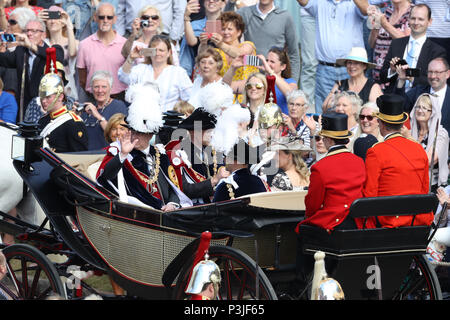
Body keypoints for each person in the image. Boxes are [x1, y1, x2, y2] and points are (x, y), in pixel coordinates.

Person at [294, 111, 366, 281]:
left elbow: (312, 205)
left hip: (333, 225)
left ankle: (301, 279)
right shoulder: (359, 162)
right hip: (355, 224)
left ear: (328, 139)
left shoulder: (321, 167)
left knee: (300, 230)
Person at [96, 82, 182, 211]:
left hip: (167, 213)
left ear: (150, 135)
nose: (134, 136)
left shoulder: (160, 153)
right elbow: (106, 176)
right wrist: (123, 155)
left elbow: (173, 187)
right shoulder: (118, 151)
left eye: (140, 133)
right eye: (132, 131)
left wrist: (172, 204)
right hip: (138, 213)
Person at [363, 94, 433, 228]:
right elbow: (424, 189)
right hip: (418, 222)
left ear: (381, 123)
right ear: (402, 124)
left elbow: (369, 194)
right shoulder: (418, 149)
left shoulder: (376, 151)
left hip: (388, 223)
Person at [296, 0, 369, 115]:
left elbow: (366, 10)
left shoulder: (353, 3)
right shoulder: (320, 3)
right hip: (325, 69)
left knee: (351, 114)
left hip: (351, 69)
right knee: (323, 115)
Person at [0, 18, 64, 116]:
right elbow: (4, 60)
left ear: (43, 35)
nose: (29, 34)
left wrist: (30, 45)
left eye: (34, 31)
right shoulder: (21, 50)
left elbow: (56, 57)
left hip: (46, 105)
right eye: (27, 31)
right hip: (24, 106)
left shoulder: (53, 49)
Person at [166, 106, 229, 205]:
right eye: (209, 131)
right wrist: (215, 180)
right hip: (190, 208)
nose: (212, 135)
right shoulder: (178, 152)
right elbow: (185, 189)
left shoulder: (212, 151)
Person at [380, 3, 446, 93]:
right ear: (408, 20)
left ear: (429, 22)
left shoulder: (437, 51)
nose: (416, 22)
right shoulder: (396, 43)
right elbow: (382, 77)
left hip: (421, 100)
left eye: (420, 19)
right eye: (413, 18)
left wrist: (411, 78)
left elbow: (437, 81)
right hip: (395, 98)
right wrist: (391, 70)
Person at [118, 34, 193, 112]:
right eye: (154, 50)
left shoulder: (178, 73)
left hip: (168, 121)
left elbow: (190, 98)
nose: (157, 53)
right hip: (142, 119)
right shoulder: (140, 69)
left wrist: (193, 122)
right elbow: (123, 77)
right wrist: (131, 58)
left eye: (161, 50)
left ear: (169, 53)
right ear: (149, 51)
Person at [199, 11, 257, 103]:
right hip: (222, 100)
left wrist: (220, 44)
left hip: (248, 98)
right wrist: (203, 43)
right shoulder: (217, 52)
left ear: (238, 32)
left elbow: (240, 54)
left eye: (230, 29)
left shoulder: (248, 46)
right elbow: (201, 59)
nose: (226, 32)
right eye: (223, 29)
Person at [236, 0, 300, 83]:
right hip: (250, 79)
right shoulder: (245, 13)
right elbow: (223, 23)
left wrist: (292, 83)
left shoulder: (285, 17)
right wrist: (231, 2)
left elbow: (294, 53)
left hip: (275, 79)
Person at [76, 2, 127, 103]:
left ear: (115, 19)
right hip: (93, 99)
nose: (105, 20)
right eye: (101, 17)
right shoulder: (84, 44)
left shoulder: (125, 44)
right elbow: (82, 79)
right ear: (95, 17)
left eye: (109, 17)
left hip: (119, 98)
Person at [38, 54, 88, 153]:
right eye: (42, 97)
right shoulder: (43, 121)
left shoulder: (74, 123)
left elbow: (79, 158)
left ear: (60, 96)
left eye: (48, 97)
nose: (44, 101)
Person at [403, 93, 449, 190]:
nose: (420, 110)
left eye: (424, 108)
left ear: (433, 112)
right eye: (418, 107)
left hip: (432, 187)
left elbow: (428, 160)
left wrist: (409, 139)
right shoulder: (410, 132)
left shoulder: (441, 134)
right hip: (409, 183)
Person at [394, 57, 450, 134]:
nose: (433, 76)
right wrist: (401, 80)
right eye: (430, 72)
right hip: (417, 141)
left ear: (447, 74)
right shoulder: (419, 91)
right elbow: (399, 106)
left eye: (437, 72)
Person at [79, 70, 128, 151]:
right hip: (87, 157)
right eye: (96, 87)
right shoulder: (88, 108)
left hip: (107, 156)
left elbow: (118, 134)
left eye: (104, 87)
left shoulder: (118, 106)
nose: (100, 90)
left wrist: (98, 116)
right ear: (92, 89)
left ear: (111, 88)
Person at [38, 5, 79, 100]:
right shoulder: (42, 42)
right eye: (49, 18)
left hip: (68, 90)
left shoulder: (73, 42)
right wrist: (37, 21)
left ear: (63, 22)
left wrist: (69, 23)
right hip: (46, 90)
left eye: (57, 17)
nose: (52, 21)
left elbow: (72, 53)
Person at [368, 0, 412, 87]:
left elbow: (407, 42)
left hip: (398, 79)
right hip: (378, 76)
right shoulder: (386, 11)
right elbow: (371, 44)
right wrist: (376, 25)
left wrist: (384, 23)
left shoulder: (413, 13)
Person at [181, 0, 225, 78]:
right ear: (204, 3)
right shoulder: (195, 25)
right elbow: (191, 42)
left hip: (224, 71)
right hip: (201, 72)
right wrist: (186, 17)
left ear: (223, 3)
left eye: (216, 0)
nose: (211, 1)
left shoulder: (229, 24)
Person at [0, 6, 36, 98]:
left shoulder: (23, 53)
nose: (8, 24)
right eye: (8, 21)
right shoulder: (4, 47)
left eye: (12, 22)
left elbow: (10, 93)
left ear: (24, 28)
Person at [115, 0, 186, 42]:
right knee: (129, 65)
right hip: (131, 35)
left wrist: (173, 38)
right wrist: (120, 37)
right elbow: (120, 10)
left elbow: (180, 10)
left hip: (162, 36)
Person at [257, 46, 298, 114]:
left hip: (281, 122)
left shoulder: (290, 82)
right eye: (266, 60)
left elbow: (291, 95)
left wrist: (270, 71)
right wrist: (234, 67)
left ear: (283, 67)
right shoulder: (260, 81)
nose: (267, 64)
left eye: (272, 62)